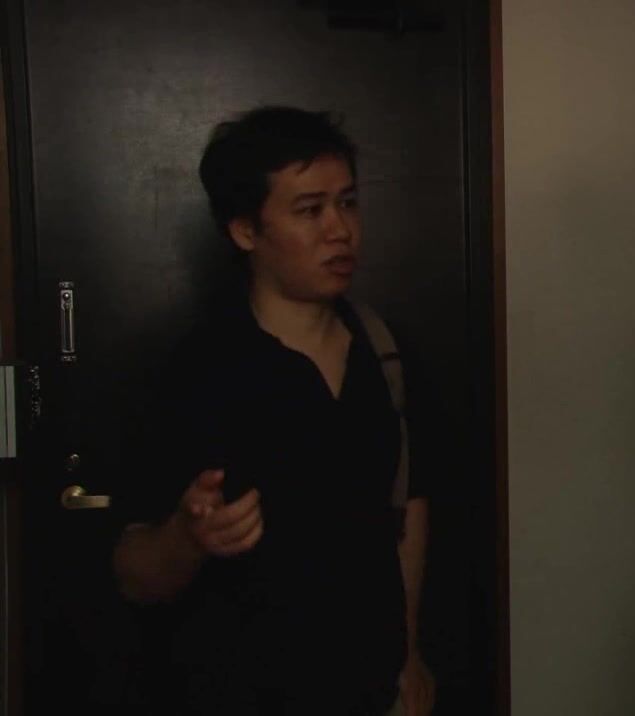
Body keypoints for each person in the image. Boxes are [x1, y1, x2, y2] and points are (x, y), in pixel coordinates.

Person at [111, 107, 435, 716]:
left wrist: (408, 652)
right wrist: (188, 537)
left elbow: (407, 511)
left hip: (369, 688)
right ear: (245, 231)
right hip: (234, 692)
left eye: (348, 203)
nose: (340, 230)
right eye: (310, 210)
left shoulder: (387, 354)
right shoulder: (194, 372)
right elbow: (133, 574)